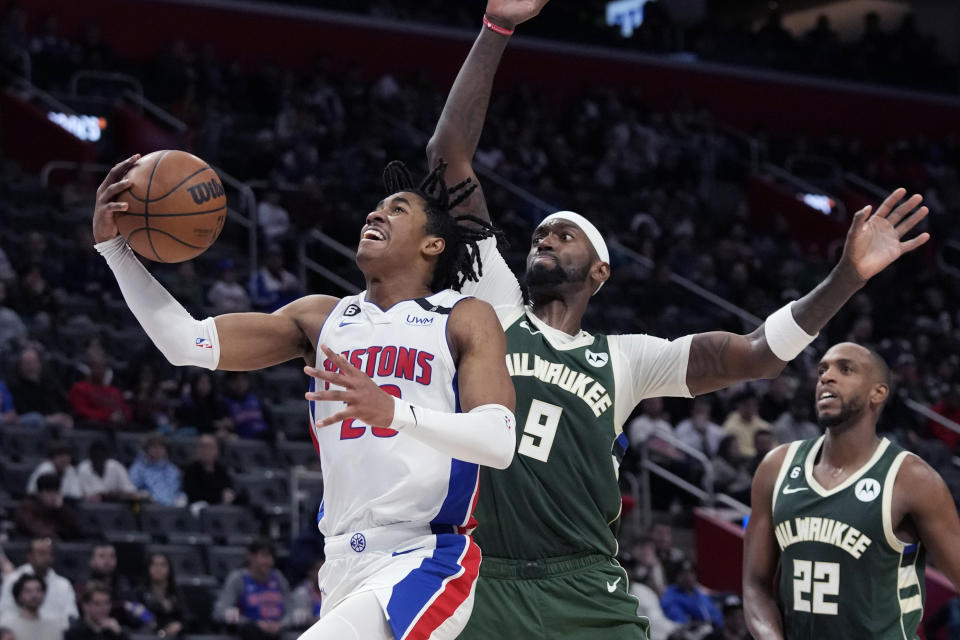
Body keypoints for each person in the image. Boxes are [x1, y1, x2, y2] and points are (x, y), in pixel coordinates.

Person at [428, 1, 931, 636]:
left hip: (584, 584)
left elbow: (756, 355)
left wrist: (846, 279)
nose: (545, 239)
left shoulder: (627, 358)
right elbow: (448, 157)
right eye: (541, 233)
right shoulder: (493, 305)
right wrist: (496, 28)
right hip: (482, 575)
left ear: (600, 272)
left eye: (564, 235)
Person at [94, 146, 515, 640]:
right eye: (377, 207)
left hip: (425, 559)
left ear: (433, 245)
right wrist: (115, 251)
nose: (376, 213)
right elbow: (185, 342)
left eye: (398, 209)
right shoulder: (321, 317)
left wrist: (394, 410)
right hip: (340, 563)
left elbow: (499, 440)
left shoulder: (463, 315)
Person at [743, 343, 960, 639]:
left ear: (878, 392)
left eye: (845, 369)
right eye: (822, 370)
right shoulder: (776, 467)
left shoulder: (912, 479)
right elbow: (755, 585)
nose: (826, 377)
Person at [213, 540, 290, 640]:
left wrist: (282, 623)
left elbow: (291, 609)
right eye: (264, 556)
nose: (268, 561)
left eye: (271, 557)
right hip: (250, 632)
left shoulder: (278, 578)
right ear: (250, 557)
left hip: (278, 632)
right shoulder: (238, 579)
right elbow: (220, 612)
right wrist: (252, 623)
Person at [0, 538, 78, 629]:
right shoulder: (13, 580)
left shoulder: (63, 584)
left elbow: (71, 616)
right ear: (29, 556)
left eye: (49, 553)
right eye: (41, 553)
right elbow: (5, 613)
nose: (46, 557)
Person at [8, 345, 73, 429]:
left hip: (60, 427)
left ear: (40, 363)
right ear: (20, 366)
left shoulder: (51, 383)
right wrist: (48, 419)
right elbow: (22, 413)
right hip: (32, 430)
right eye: (26, 363)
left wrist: (67, 417)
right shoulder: (15, 387)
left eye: (33, 362)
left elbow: (65, 404)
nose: (31, 367)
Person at [14, 474, 83, 540]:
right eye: (49, 492)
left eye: (56, 492)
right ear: (39, 493)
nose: (53, 496)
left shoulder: (61, 508)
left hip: (60, 545)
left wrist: (61, 509)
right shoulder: (27, 507)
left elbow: (75, 530)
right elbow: (37, 529)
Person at [133, 553, 184, 638]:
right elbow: (137, 617)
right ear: (148, 568)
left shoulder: (176, 593)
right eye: (155, 565)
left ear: (169, 569)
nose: (158, 569)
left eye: (163, 565)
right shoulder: (139, 593)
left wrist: (179, 625)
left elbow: (186, 617)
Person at [660, 560, 723, 629]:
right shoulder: (670, 596)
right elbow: (681, 621)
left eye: (691, 573)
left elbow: (716, 615)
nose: (688, 577)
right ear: (676, 576)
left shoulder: (700, 593)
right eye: (683, 573)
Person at [0, 574, 63, 640]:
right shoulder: (7, 626)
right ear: (19, 596)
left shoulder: (53, 626)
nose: (34, 595)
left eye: (38, 590)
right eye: (28, 591)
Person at [76, 442, 144, 502]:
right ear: (90, 457)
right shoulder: (82, 469)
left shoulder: (116, 466)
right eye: (95, 457)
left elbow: (130, 491)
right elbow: (78, 495)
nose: (98, 461)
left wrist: (112, 495)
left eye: (101, 457)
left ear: (106, 457)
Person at [128, 436, 185, 507]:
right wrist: (145, 496)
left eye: (161, 447)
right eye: (154, 447)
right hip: (148, 508)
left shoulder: (173, 470)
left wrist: (181, 499)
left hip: (172, 509)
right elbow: (130, 490)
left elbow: (178, 491)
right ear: (146, 449)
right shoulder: (138, 468)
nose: (157, 450)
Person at [181, 434, 236, 507]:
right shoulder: (190, 470)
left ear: (217, 450)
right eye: (203, 447)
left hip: (220, 508)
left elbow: (228, 488)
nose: (207, 451)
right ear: (198, 450)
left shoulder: (221, 469)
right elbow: (192, 494)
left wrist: (229, 494)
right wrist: (219, 496)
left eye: (211, 447)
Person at [723, 391, 770, 457]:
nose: (750, 408)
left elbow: (774, 446)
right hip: (743, 461)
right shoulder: (730, 426)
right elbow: (737, 450)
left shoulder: (764, 425)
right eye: (747, 405)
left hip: (765, 457)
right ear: (739, 405)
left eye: (753, 404)